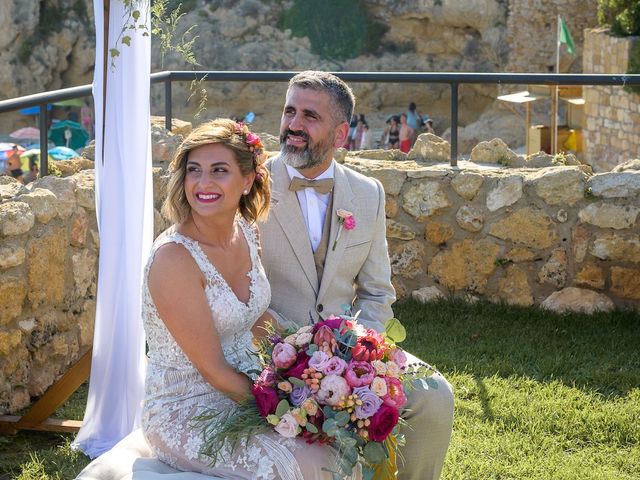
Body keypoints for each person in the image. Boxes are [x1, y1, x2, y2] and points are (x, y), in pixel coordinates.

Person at [259, 71, 454, 480]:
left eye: (310, 116)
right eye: (289, 111)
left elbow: (377, 292)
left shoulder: (368, 193)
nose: (293, 124)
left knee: (435, 395)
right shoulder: (249, 185)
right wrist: (295, 352)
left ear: (341, 133)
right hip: (267, 352)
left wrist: (360, 356)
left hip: (347, 348)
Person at [141, 118, 347, 478]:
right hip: (188, 407)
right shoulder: (174, 260)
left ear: (248, 179)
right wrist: (290, 411)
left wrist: (309, 354)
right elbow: (214, 370)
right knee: (307, 464)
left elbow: (255, 315)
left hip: (250, 379)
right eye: (194, 170)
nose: (203, 183)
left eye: (219, 170)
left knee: (338, 442)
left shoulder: (246, 231)